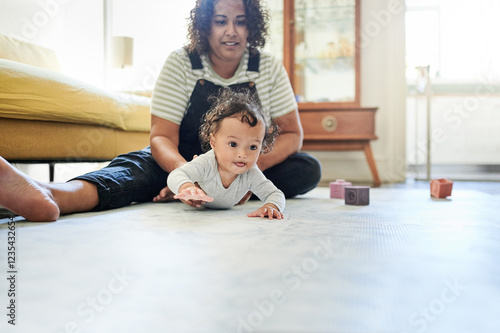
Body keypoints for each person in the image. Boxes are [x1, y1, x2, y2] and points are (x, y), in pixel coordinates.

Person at [0, 0, 321, 222]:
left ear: (252, 26)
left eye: (240, 22)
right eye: (221, 21)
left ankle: (223, 191)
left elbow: (292, 134)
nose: (231, 32)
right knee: (132, 172)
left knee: (306, 168)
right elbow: (161, 137)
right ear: (205, 26)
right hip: (182, 160)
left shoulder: (268, 67)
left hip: (245, 162)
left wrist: (243, 171)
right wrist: (187, 179)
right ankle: (51, 195)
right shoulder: (180, 63)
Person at [168, 88, 285, 219]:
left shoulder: (251, 173)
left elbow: (275, 194)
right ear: (213, 142)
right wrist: (187, 187)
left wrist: (271, 206)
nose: (242, 154)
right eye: (233, 144)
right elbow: (176, 174)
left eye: (252, 147)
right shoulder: (207, 162)